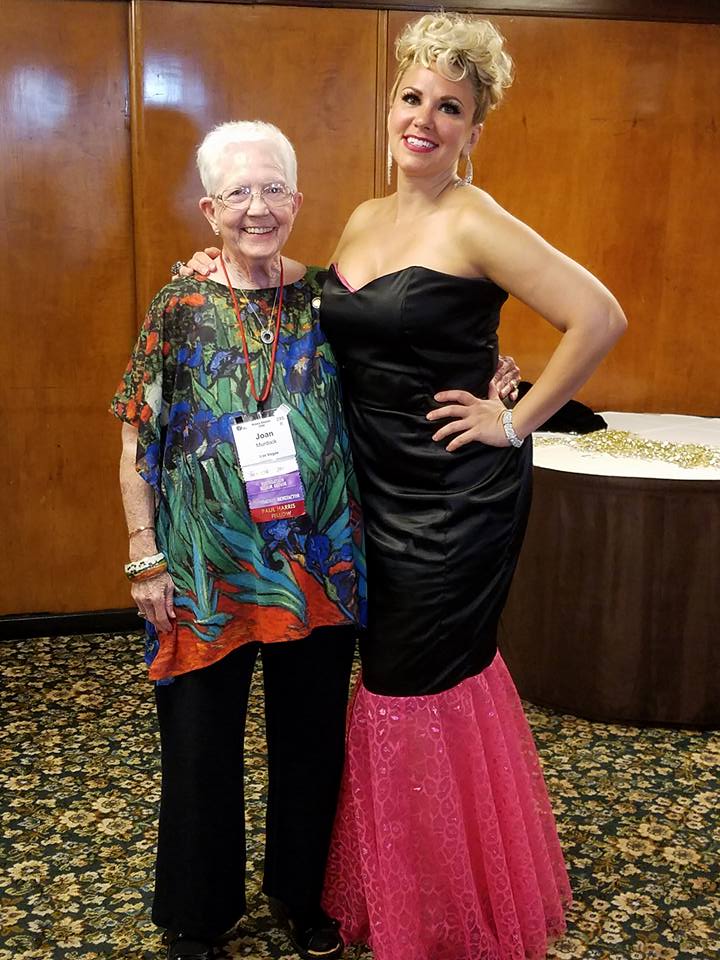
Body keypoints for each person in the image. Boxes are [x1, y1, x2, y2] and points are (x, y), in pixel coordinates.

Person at [181, 12, 625, 954]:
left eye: (449, 107)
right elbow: (334, 310)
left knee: (406, 686)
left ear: (473, 129)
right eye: (413, 97)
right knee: (388, 685)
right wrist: (233, 261)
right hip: (367, 492)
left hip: (452, 500)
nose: (424, 119)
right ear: (391, 105)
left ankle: (441, 906)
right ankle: (414, 879)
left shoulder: (475, 217)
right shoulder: (365, 217)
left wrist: (512, 418)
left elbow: (598, 316)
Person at [111, 121, 367, 960]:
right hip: (202, 568)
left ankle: (302, 894)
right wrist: (144, 553)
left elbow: (404, 371)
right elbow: (136, 432)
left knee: (313, 741)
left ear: (298, 200)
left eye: (274, 190)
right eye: (238, 193)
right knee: (198, 747)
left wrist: (494, 376)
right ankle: (198, 912)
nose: (258, 208)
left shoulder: (330, 298)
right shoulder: (179, 304)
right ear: (209, 209)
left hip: (315, 564)